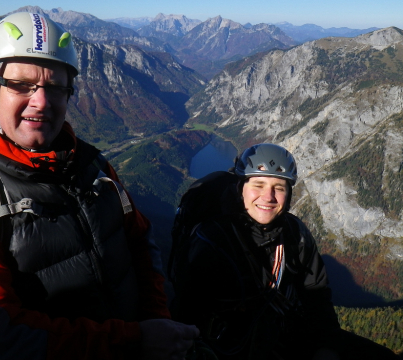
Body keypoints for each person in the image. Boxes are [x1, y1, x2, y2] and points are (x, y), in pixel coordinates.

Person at [0, 12, 198, 360]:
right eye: (21, 85)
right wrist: (135, 340)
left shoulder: (94, 167)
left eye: (55, 87)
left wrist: (157, 323)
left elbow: (141, 245)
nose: (41, 101)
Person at [169, 143, 397, 360]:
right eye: (258, 185)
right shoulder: (213, 242)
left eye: (278, 188)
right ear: (240, 189)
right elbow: (187, 315)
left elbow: (316, 296)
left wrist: (326, 346)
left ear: (288, 195)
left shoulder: (294, 233)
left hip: (288, 333)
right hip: (228, 347)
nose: (268, 197)